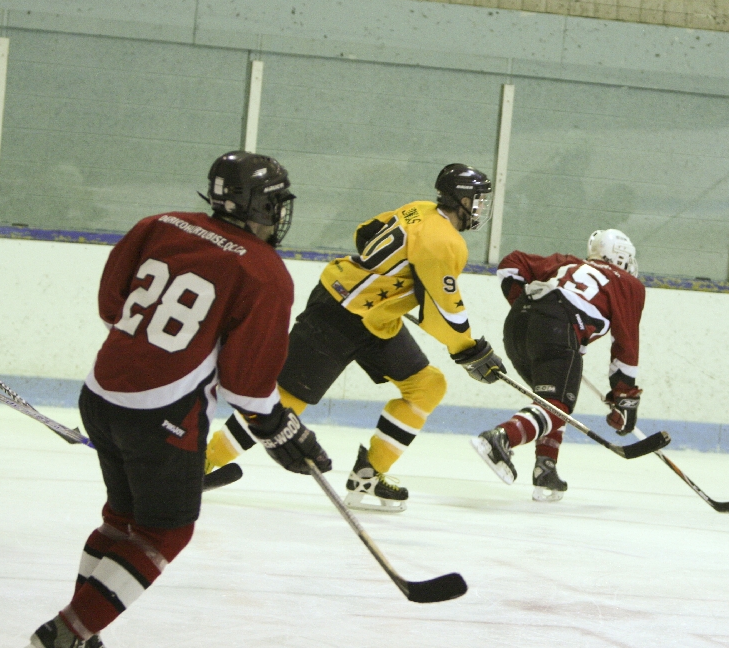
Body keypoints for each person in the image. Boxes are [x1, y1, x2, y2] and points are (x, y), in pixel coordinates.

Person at [26, 151, 332, 648]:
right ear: (260, 205)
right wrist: (279, 427)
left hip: (100, 394)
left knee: (121, 519)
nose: (279, 215)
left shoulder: (159, 224)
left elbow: (111, 307)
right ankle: (63, 635)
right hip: (162, 415)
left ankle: (80, 632)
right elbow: (246, 386)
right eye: (275, 204)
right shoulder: (264, 272)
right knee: (164, 533)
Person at [203, 163, 506, 512]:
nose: (480, 208)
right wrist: (470, 351)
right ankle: (203, 462)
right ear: (461, 200)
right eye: (477, 200)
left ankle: (368, 475)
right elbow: (444, 312)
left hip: (375, 319)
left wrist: (390, 280)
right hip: (338, 313)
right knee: (286, 402)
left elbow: (365, 233)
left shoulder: (418, 209)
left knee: (427, 386)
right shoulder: (446, 242)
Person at [472, 229, 645, 502]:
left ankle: (546, 468)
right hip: (557, 326)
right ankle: (501, 438)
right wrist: (625, 396)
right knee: (557, 405)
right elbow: (626, 343)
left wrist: (530, 308)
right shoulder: (627, 282)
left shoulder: (567, 263)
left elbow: (510, 264)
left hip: (518, 326)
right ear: (621, 257)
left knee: (552, 400)